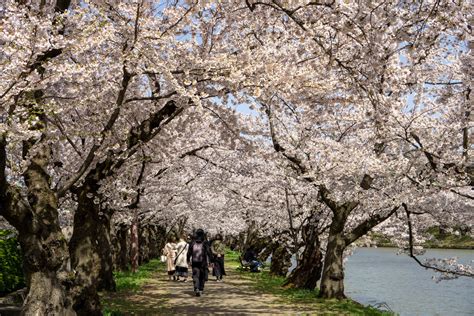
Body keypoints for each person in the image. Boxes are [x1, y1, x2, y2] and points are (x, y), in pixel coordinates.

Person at [187, 229, 212, 296]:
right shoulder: (205, 242)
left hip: (195, 262)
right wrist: (211, 261)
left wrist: (188, 260)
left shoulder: (192, 242)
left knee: (195, 275)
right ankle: (201, 289)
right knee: (202, 276)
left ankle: (196, 288)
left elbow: (189, 253)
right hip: (203, 262)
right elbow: (209, 252)